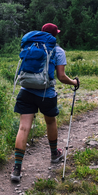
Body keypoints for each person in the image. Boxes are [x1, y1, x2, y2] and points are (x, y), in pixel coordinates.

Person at [11, 23, 79, 182]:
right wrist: (75, 83)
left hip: (25, 90)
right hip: (46, 93)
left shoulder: (30, 46)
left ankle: (16, 169)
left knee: (23, 127)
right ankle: (55, 154)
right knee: (50, 122)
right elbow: (62, 77)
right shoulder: (58, 50)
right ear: (54, 35)